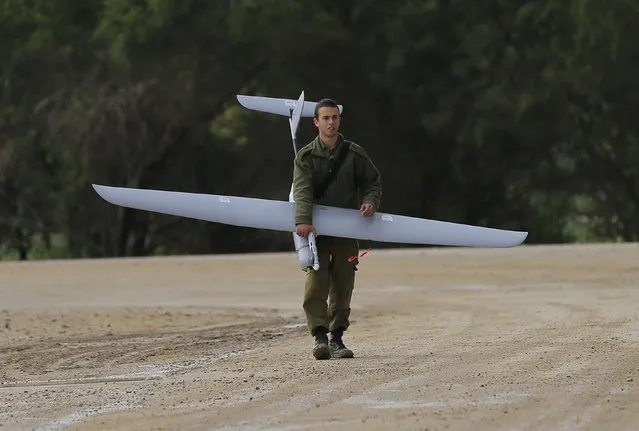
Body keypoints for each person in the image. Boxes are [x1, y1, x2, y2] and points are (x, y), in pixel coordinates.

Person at [292, 98, 382, 360]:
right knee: (316, 281)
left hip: (345, 230)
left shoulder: (354, 154)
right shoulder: (306, 156)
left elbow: (372, 182)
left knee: (344, 281)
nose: (331, 122)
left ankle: (337, 338)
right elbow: (302, 190)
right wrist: (303, 220)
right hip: (316, 230)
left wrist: (369, 202)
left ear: (339, 120)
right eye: (326, 118)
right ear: (316, 122)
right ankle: (319, 336)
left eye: (335, 118)